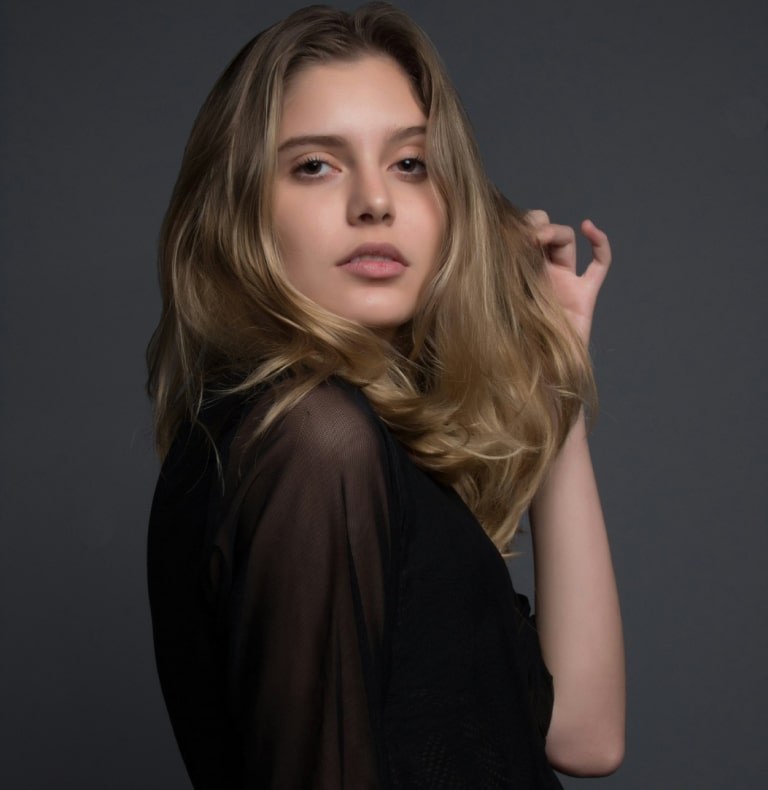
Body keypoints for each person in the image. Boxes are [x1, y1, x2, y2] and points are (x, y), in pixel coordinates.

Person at [146, 3, 625, 788]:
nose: (375, 200)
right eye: (315, 165)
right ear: (239, 208)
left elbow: (583, 735)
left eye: (410, 163)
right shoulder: (313, 441)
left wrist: (554, 381)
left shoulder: (354, 445)